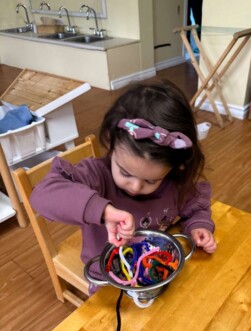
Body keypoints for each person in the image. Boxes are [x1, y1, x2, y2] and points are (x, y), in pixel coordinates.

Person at [30, 80, 217, 280]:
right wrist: (101, 210)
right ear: (111, 142)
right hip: (108, 277)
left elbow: (195, 206)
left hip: (155, 267)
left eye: (152, 181)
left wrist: (199, 225)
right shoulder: (96, 175)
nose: (136, 187)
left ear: (176, 166)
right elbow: (42, 195)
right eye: (126, 173)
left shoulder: (176, 181)